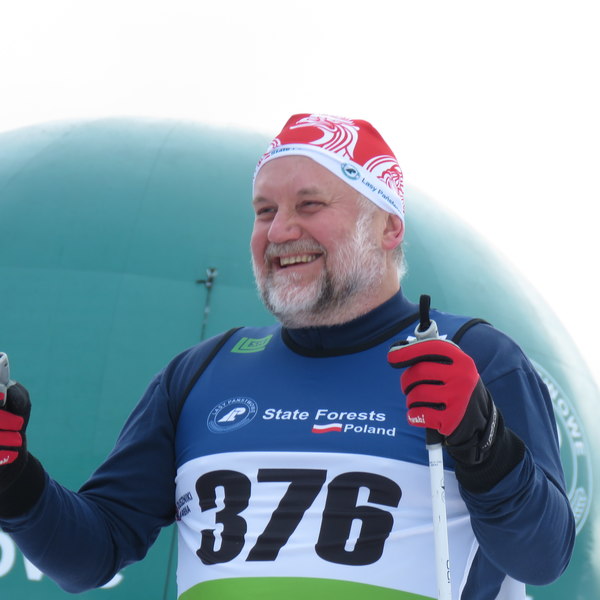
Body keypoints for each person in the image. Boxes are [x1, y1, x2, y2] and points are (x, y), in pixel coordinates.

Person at [0, 113, 575, 600]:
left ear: (388, 227)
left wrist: (484, 443)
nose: (279, 231)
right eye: (264, 210)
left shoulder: (472, 357)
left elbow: (541, 558)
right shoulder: (203, 373)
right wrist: (14, 478)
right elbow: (91, 556)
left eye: (310, 204)